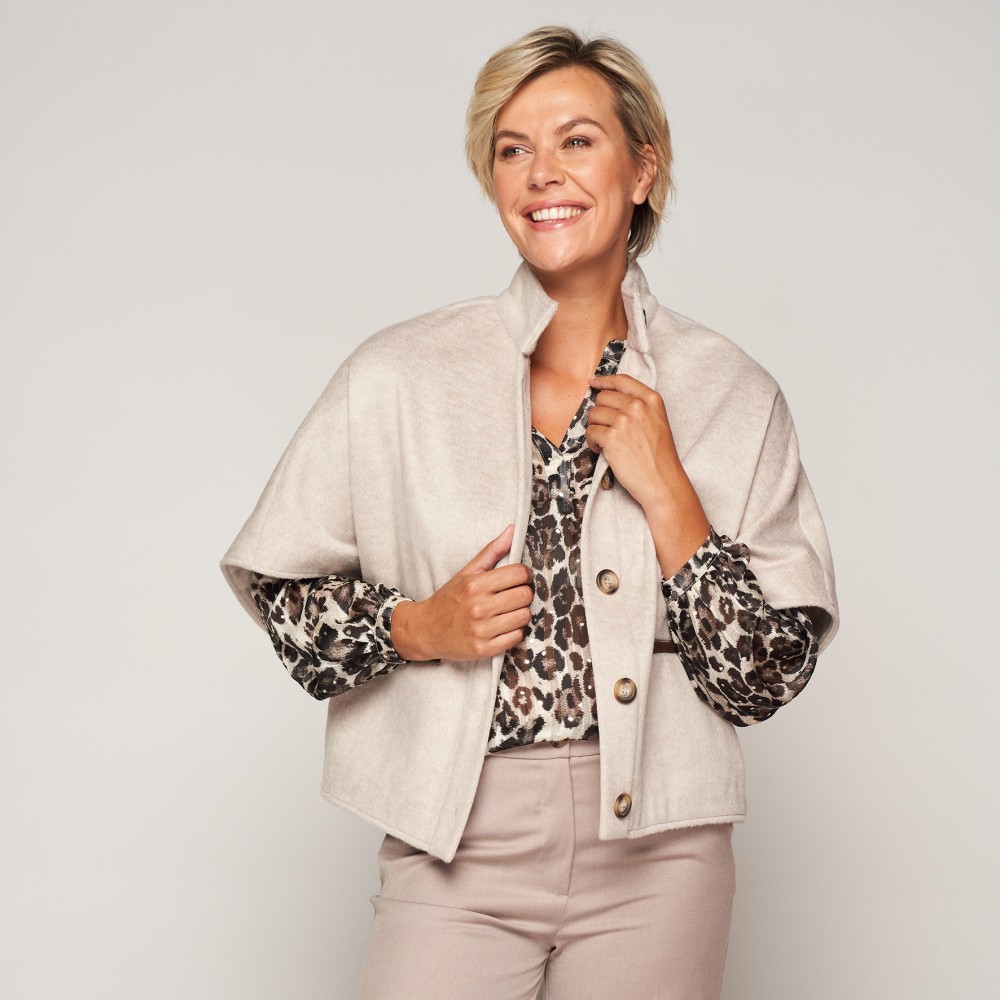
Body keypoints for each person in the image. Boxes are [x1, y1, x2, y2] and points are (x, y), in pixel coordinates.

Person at [221, 25, 838, 1000]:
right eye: (513, 149)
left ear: (643, 170)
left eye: (576, 140)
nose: (542, 172)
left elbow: (761, 678)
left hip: (662, 850)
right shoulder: (397, 374)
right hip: (456, 838)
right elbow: (289, 607)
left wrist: (670, 492)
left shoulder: (729, 389)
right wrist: (417, 626)